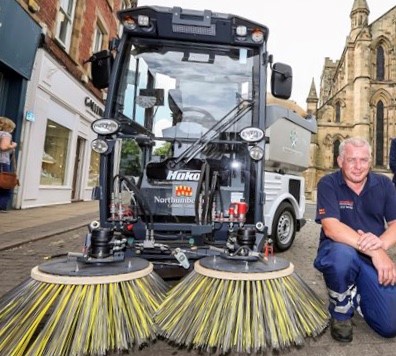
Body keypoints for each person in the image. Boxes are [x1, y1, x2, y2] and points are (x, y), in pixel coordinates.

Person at [314, 136, 396, 343]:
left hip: (369, 260)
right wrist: (377, 253)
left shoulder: (385, 185)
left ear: (370, 161)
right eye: (351, 160)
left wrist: (383, 244)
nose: (358, 167)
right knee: (341, 255)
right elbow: (331, 228)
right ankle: (340, 310)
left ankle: (356, 293)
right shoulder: (328, 183)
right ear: (340, 161)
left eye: (363, 160)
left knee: (389, 326)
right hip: (339, 253)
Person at [0, 116, 17, 212]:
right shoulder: (6, 135)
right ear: (8, 127)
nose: (12, 131)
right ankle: (1, 206)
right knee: (5, 185)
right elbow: (3, 147)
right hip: (2, 162)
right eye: (12, 128)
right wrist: (13, 145)